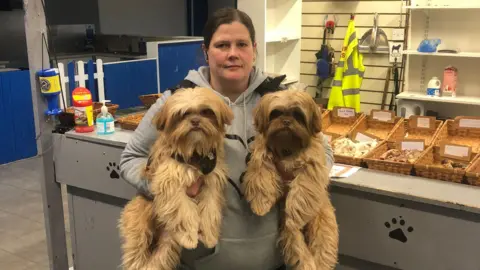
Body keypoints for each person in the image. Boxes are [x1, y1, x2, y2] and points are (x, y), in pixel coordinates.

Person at [120, 7, 334, 270]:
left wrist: (294, 176)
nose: (233, 53)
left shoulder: (279, 100)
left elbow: (323, 152)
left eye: (241, 44)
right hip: (200, 259)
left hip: (272, 258)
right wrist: (169, 189)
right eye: (222, 45)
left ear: (254, 49)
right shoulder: (177, 100)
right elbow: (130, 158)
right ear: (205, 50)